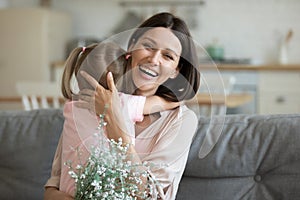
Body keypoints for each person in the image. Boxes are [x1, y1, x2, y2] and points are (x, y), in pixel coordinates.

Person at [44, 12, 200, 200]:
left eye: (168, 56)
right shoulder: (90, 104)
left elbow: (149, 195)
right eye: (148, 46)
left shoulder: (182, 120)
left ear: (176, 70)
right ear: (131, 48)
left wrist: (116, 125)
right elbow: (52, 190)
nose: (154, 59)